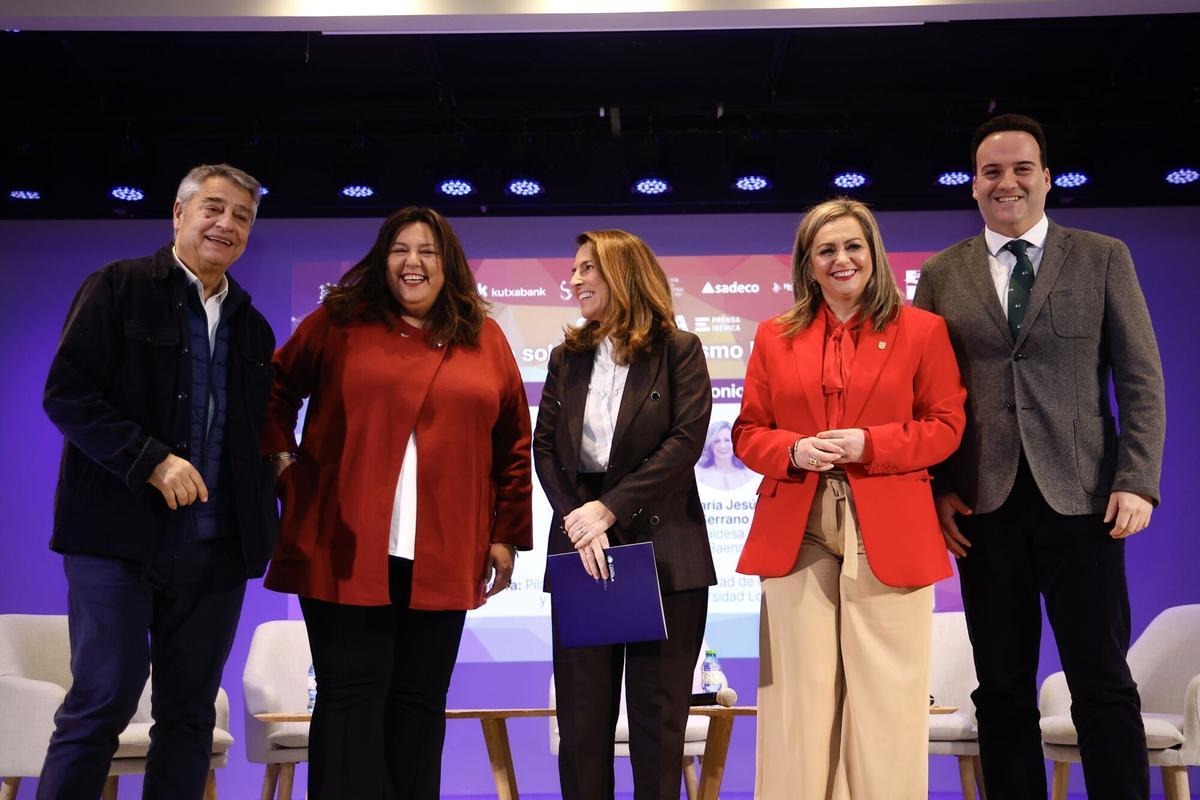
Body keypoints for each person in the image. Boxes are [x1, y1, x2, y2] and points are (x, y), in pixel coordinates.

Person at [913, 113, 1165, 800]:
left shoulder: (1103, 256)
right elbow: (925, 395)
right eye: (992, 171)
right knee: (1001, 689)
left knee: (1102, 683)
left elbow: (1140, 374)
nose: (1008, 182)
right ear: (974, 186)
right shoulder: (940, 274)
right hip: (983, 509)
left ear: (1046, 178)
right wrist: (935, 490)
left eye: (1022, 168)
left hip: (1083, 501)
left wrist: (1137, 478)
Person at [262, 207, 532, 800]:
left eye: (428, 252)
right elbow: (273, 390)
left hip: (445, 549)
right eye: (400, 250)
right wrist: (285, 467)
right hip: (346, 543)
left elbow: (514, 439)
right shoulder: (340, 321)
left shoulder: (483, 337)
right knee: (351, 696)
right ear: (382, 260)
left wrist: (505, 534)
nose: (414, 262)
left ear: (449, 265)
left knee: (419, 702)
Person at [39, 164, 276, 799]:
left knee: (191, 714)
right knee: (103, 699)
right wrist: (150, 459)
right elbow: (67, 396)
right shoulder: (117, 288)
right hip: (116, 540)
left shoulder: (253, 326)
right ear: (179, 214)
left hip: (213, 549)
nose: (226, 224)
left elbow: (253, 433)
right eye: (214, 209)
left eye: (242, 217)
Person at [734, 198, 966, 799]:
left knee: (888, 704)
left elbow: (945, 426)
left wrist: (870, 443)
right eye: (826, 250)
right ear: (807, 264)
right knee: (796, 704)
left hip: (888, 526)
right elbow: (747, 433)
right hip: (799, 525)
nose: (842, 260)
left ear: (874, 254)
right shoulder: (773, 336)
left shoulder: (923, 330)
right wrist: (792, 451)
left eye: (853, 246)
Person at [533, 229, 716, 800]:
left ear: (623, 274)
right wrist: (579, 521)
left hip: (664, 556)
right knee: (583, 726)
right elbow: (543, 448)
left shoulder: (679, 349)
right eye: (574, 268)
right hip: (583, 555)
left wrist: (608, 509)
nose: (575, 279)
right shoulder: (568, 357)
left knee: (658, 729)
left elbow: (685, 441)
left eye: (587, 268)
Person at [695, 420, 755, 491]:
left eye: (727, 440)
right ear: (710, 444)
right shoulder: (700, 474)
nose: (722, 446)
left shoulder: (747, 474)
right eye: (717, 441)